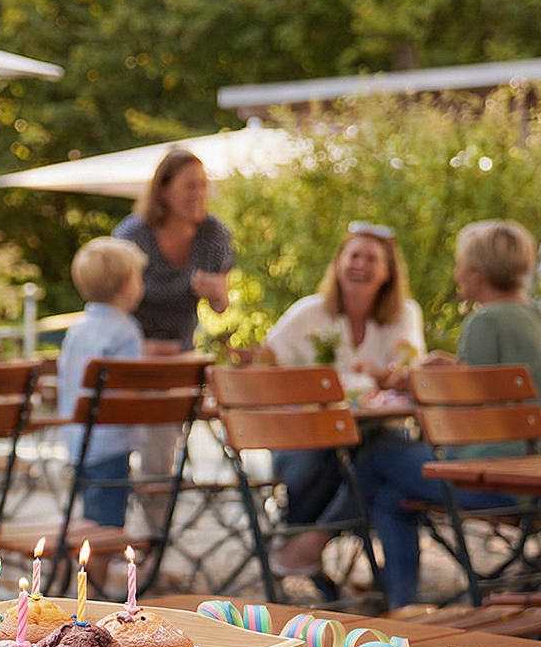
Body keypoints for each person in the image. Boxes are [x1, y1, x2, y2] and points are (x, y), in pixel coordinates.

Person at [355, 220, 541, 608]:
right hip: (532, 476)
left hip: (493, 481)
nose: (456, 274)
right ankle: (401, 603)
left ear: (476, 275)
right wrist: (457, 370)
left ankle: (401, 604)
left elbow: (463, 414)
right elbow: (506, 385)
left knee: (375, 455)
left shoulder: (484, 320)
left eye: (459, 267)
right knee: (392, 497)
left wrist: (424, 381)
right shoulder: (535, 316)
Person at [262, 222, 426, 578]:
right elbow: (265, 363)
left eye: (371, 258)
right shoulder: (308, 313)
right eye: (354, 255)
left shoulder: (404, 315)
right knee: (328, 457)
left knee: (379, 456)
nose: (360, 265)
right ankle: (302, 545)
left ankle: (302, 545)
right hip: (305, 436)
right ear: (338, 263)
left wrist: (393, 377)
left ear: (388, 272)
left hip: (372, 432)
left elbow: (407, 371)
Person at [113, 149, 233, 529]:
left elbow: (220, 305)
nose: (198, 193)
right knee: (136, 444)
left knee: (160, 447)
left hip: (179, 359)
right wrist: (139, 348)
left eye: (202, 185)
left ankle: (153, 540)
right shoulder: (134, 235)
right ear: (163, 191)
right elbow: (110, 300)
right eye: (189, 186)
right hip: (129, 356)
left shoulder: (213, 233)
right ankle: (135, 537)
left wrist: (216, 293)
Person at [57, 237, 148, 528]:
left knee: (86, 519)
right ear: (126, 285)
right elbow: (130, 389)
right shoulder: (125, 331)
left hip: (77, 440)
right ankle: (97, 573)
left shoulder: (77, 330)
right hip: (112, 443)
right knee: (107, 525)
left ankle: (82, 571)